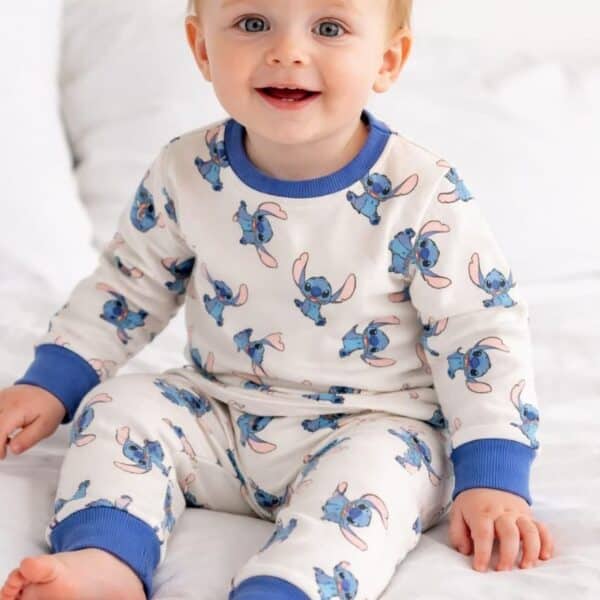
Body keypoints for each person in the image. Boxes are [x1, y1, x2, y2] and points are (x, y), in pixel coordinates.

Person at [0, 0, 554, 598]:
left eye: (330, 28)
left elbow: (478, 331)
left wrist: (493, 473)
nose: (287, 51)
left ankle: (282, 588)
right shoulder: (186, 169)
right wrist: (51, 383)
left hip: (375, 425)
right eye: (253, 23)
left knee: (372, 487)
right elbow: (130, 284)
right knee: (120, 406)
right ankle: (105, 562)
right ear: (203, 49)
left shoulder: (422, 193)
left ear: (387, 60)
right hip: (221, 412)